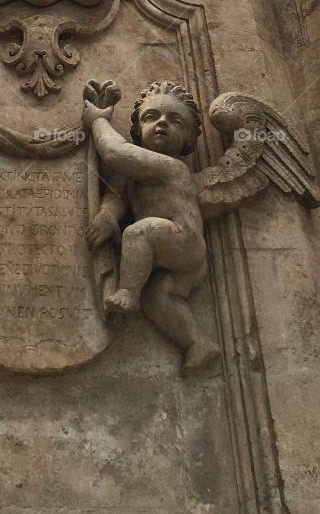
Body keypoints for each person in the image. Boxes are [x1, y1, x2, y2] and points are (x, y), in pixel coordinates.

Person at [82, 79, 220, 374]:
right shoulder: (135, 177)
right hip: (179, 258)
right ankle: (198, 342)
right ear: (138, 130)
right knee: (159, 299)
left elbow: (114, 153)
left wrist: (98, 121)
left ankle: (127, 293)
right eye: (151, 117)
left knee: (138, 232)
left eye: (175, 121)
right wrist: (107, 216)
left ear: (187, 140)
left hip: (184, 240)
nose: (161, 124)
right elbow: (117, 196)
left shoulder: (172, 168)